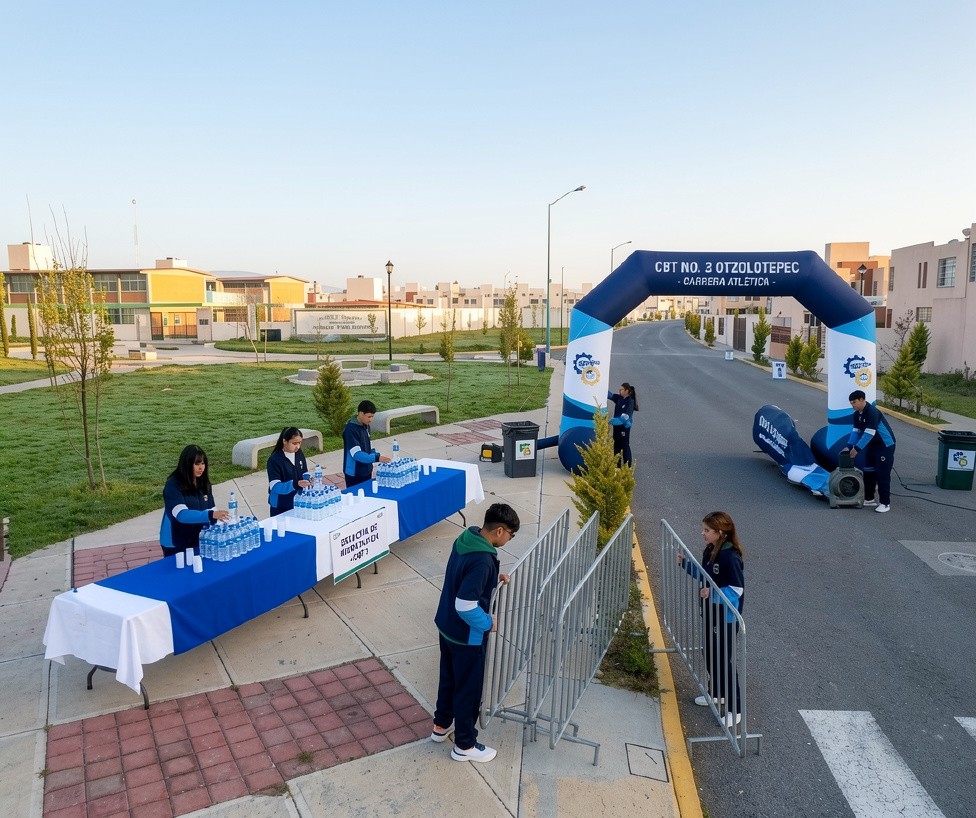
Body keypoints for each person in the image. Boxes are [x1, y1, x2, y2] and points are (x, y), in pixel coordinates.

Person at [431, 503, 520, 763]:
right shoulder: (482, 560)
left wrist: (492, 578)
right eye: (511, 535)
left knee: (448, 679)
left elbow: (463, 575)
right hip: (466, 636)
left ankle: (441, 725)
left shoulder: (467, 537)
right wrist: (486, 623)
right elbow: (466, 605)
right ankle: (465, 745)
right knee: (468, 689)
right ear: (500, 531)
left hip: (446, 627)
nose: (509, 540)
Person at [677, 511, 745, 727]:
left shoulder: (731, 557)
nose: (702, 533)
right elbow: (706, 575)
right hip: (710, 612)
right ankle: (717, 692)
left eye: (707, 530)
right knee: (708, 651)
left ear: (720, 533)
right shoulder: (710, 550)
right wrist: (686, 564)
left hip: (725, 617)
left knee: (723, 659)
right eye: (704, 529)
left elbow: (736, 590)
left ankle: (735, 709)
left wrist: (712, 594)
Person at [160, 444, 229, 557]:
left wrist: (221, 520)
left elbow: (211, 509)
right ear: (187, 464)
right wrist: (212, 515)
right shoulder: (172, 485)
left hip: (197, 538)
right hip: (175, 542)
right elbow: (182, 515)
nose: (201, 468)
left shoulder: (204, 483)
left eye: (203, 463)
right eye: (197, 464)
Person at [841, 389, 896, 513]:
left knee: (882, 474)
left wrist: (857, 449)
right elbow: (856, 431)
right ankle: (869, 499)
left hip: (885, 446)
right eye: (851, 403)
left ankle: (885, 503)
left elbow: (869, 433)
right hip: (872, 446)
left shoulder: (872, 412)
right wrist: (849, 446)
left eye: (854, 402)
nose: (852, 405)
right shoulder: (856, 414)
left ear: (862, 400)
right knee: (869, 471)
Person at [342, 400, 391, 488]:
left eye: (372, 417)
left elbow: (365, 448)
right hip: (354, 473)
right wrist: (377, 458)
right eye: (369, 416)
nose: (371, 420)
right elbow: (357, 454)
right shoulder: (350, 430)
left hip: (366, 470)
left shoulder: (366, 425)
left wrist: (375, 454)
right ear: (361, 413)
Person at [266, 427, 312, 516]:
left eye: (300, 443)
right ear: (284, 441)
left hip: (297, 502)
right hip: (280, 505)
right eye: (294, 443)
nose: (298, 446)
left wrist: (309, 479)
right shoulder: (274, 460)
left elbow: (304, 471)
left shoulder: (299, 453)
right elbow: (275, 487)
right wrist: (295, 484)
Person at [608, 382, 639, 466]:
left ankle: (627, 466)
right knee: (616, 446)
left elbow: (625, 417)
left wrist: (613, 421)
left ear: (627, 391)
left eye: (621, 389)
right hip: (616, 428)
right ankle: (617, 465)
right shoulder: (619, 398)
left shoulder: (630, 401)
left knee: (625, 446)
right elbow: (610, 395)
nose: (619, 391)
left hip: (624, 428)